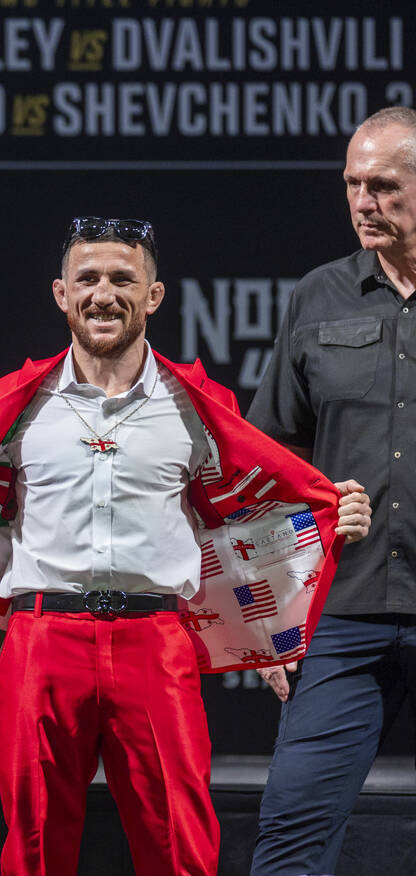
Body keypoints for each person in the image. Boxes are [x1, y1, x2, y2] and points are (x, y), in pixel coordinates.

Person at [0, 216, 372, 876]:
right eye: (87, 278)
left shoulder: (199, 405)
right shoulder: (15, 400)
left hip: (156, 643)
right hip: (41, 640)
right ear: (61, 293)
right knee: (33, 849)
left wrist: (331, 513)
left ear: (153, 296)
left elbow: (250, 511)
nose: (103, 293)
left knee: (181, 849)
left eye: (123, 279)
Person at [247, 105, 416, 875]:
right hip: (341, 615)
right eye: (352, 184)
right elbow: (271, 459)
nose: (361, 202)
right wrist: (272, 618)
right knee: (291, 838)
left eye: (382, 186)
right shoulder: (318, 296)